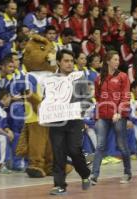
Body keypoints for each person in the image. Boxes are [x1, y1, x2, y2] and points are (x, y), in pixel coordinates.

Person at [49, 49, 91, 195]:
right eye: (66, 61)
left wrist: (78, 111)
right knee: (58, 153)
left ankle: (85, 174)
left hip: (74, 121)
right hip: (56, 123)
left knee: (74, 151)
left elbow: (87, 100)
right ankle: (60, 185)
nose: (69, 64)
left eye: (71, 61)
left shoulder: (80, 78)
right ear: (59, 62)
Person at [91, 50, 132, 185]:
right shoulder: (99, 78)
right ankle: (94, 175)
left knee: (121, 145)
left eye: (118, 59)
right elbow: (97, 96)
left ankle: (127, 172)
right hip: (103, 116)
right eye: (114, 59)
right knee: (100, 145)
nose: (117, 62)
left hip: (119, 116)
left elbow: (125, 96)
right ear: (108, 61)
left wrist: (119, 112)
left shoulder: (123, 76)